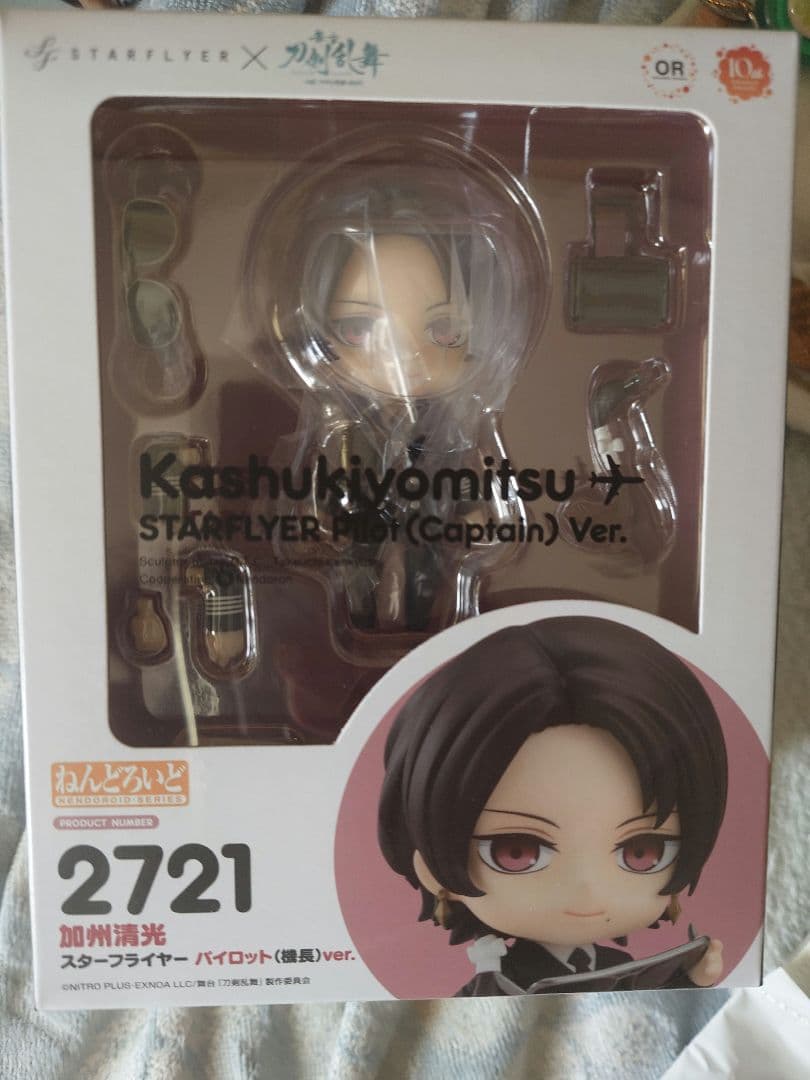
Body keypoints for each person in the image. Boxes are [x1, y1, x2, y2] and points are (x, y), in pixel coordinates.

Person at [378, 615, 728, 994]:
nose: (586, 889)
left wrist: (692, 980)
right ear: (432, 871)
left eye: (642, 852)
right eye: (517, 852)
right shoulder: (500, 979)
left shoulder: (617, 965)